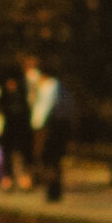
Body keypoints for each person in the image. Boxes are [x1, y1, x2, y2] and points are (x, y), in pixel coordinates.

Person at [25, 58, 73, 201]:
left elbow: (43, 109)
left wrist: (37, 126)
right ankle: (54, 189)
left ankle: (52, 190)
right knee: (54, 160)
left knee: (48, 159)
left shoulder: (48, 87)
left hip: (48, 126)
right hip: (58, 125)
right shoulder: (60, 87)